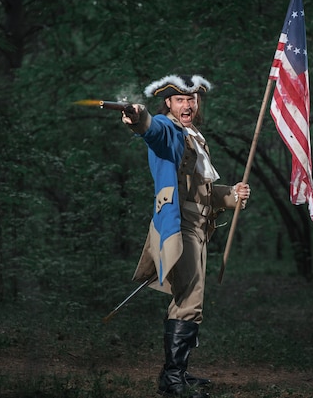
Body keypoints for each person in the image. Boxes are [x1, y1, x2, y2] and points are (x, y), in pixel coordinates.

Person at [121, 74, 251, 397]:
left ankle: (176, 372)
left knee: (189, 301)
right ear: (168, 103)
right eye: (180, 99)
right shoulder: (170, 130)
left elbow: (203, 193)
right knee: (189, 302)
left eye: (192, 99)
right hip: (181, 226)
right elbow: (152, 131)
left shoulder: (195, 137)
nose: (188, 104)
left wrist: (233, 195)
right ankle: (172, 379)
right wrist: (140, 119)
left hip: (199, 227)